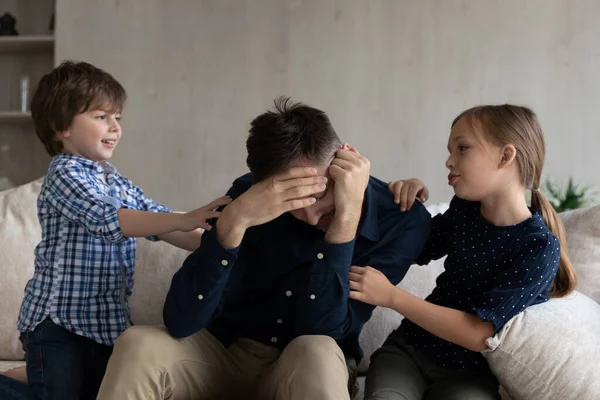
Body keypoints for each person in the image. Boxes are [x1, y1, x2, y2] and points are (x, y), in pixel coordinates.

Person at [96, 97, 432, 400]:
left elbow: (325, 332)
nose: (311, 214)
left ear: (347, 158)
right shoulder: (249, 196)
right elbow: (181, 322)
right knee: (138, 344)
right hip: (222, 354)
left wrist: (346, 218)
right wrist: (233, 224)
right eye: (293, 200)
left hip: (306, 362)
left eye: (319, 194)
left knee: (316, 352)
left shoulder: (400, 219)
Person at [0, 61, 230, 400]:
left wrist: (223, 246)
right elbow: (111, 220)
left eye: (118, 118)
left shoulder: (114, 180)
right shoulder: (64, 174)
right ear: (61, 126)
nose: (115, 127)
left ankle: (30, 375)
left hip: (107, 326)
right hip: (59, 324)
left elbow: (162, 224)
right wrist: (185, 218)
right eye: (101, 117)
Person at [350, 104, 577, 400]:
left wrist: (392, 297)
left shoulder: (539, 246)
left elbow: (479, 334)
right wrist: (406, 203)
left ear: (506, 156)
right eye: (450, 150)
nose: (449, 161)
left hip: (472, 375)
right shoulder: (465, 211)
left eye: (462, 148)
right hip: (408, 351)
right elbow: (415, 247)